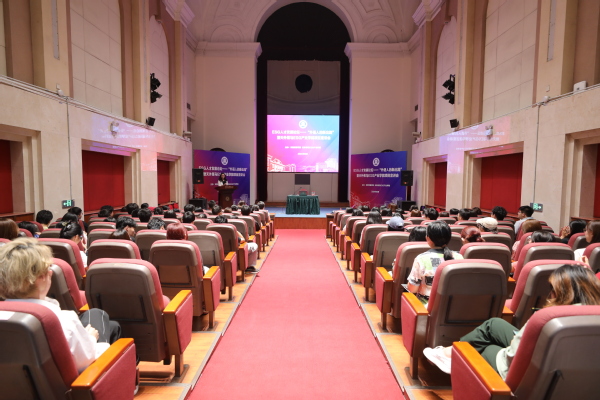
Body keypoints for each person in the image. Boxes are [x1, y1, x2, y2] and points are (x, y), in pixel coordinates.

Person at [422, 264, 600, 376]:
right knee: (493, 324)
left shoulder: (547, 319)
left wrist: (515, 340)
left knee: (486, 347)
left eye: (551, 288)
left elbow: (514, 355)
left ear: (560, 292)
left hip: (525, 370)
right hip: (572, 370)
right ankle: (450, 353)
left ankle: (451, 355)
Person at [0, 238, 121, 373]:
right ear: (39, 278)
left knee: (111, 325)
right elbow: (85, 361)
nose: (51, 272)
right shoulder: (62, 320)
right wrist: (91, 339)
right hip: (82, 380)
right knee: (105, 324)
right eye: (47, 269)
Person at [406, 221, 463, 302]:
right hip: (453, 304)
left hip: (426, 305)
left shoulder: (421, 259)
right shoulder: (459, 257)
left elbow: (412, 289)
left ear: (428, 238)